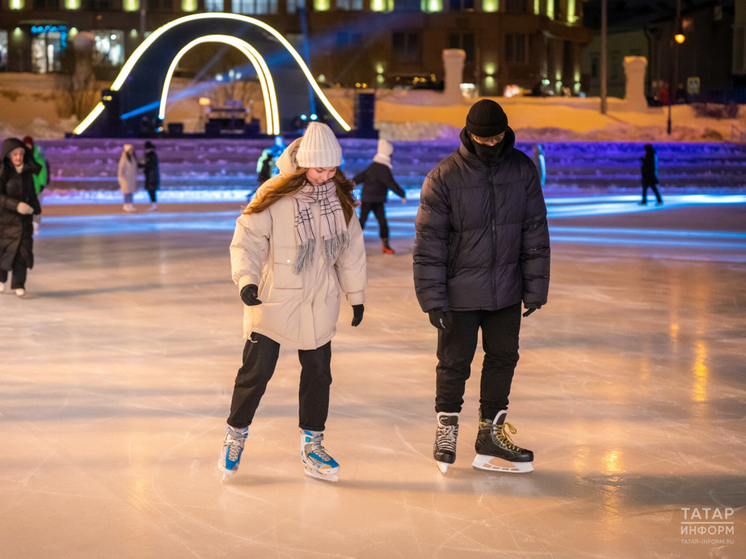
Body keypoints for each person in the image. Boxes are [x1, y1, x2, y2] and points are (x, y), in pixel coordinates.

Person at [219, 122, 367, 483]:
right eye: (320, 169)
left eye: (332, 170)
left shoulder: (340, 199)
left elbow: (351, 252)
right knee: (256, 373)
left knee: (319, 375)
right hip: (273, 300)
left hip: (320, 301)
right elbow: (247, 241)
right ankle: (235, 434)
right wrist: (247, 280)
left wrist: (356, 295)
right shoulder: (275, 193)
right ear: (303, 164)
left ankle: (312, 443)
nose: (326, 177)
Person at [413, 99, 550, 475]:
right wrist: (432, 298)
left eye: (496, 138)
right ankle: (447, 428)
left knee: (503, 358)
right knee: (455, 362)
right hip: (459, 293)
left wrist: (535, 288)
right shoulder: (445, 177)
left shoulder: (522, 169)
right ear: (469, 134)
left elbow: (534, 231)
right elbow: (429, 244)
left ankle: (490, 433)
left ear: (505, 132)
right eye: (481, 139)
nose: (490, 145)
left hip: (507, 288)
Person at [0, 138, 42, 297]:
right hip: (5, 221)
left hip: (24, 221)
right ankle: (1, 278)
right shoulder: (3, 171)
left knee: (23, 252)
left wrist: (36, 209)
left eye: (21, 154)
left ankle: (19, 283)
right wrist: (16, 206)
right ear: (8, 155)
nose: (18, 157)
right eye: (15, 154)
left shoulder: (26, 173)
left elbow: (31, 193)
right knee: (5, 250)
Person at [353, 138, 407, 254]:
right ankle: (385, 244)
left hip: (369, 199)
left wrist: (350, 183)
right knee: (381, 222)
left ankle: (351, 244)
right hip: (375, 200)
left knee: (362, 222)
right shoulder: (383, 168)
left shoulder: (373, 166)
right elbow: (390, 183)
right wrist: (402, 194)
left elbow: (360, 177)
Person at [23, 136, 50, 236]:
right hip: (24, 187)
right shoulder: (21, 159)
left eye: (29, 145)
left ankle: (35, 224)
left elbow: (42, 172)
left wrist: (42, 183)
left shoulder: (38, 159)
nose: (28, 147)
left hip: (35, 187)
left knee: (36, 205)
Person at [139, 141, 159, 212]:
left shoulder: (150, 155)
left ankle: (154, 205)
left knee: (151, 191)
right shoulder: (151, 155)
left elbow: (149, 165)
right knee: (151, 191)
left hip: (151, 177)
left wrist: (142, 165)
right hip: (151, 176)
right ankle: (153, 204)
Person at [118, 144, 138, 213]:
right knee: (126, 191)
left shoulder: (132, 158)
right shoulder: (124, 157)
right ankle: (126, 204)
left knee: (130, 191)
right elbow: (121, 168)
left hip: (131, 178)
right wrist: (121, 177)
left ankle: (130, 204)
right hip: (126, 178)